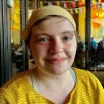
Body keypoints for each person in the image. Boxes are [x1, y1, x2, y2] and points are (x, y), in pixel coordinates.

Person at [0, 5, 104, 104]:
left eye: (66, 38)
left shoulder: (91, 83)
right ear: (29, 46)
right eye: (43, 39)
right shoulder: (10, 97)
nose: (57, 49)